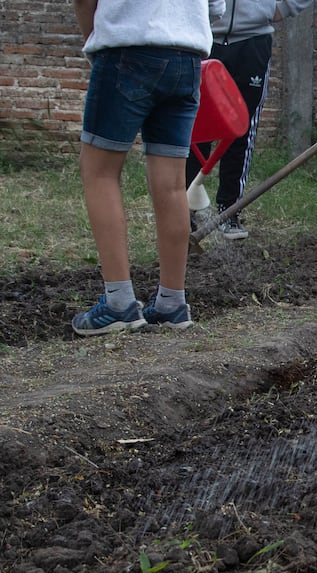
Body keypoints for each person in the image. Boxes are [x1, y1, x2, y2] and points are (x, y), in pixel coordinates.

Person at [70, 0, 225, 336]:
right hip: (187, 57)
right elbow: (217, 9)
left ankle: (118, 303)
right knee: (171, 184)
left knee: (99, 172)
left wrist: (93, 41)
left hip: (127, 48)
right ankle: (172, 303)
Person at [184, 0, 315, 241]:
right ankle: (185, 211)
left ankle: (229, 211)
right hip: (205, 37)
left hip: (253, 42)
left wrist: (279, 8)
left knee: (241, 127)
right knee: (196, 127)